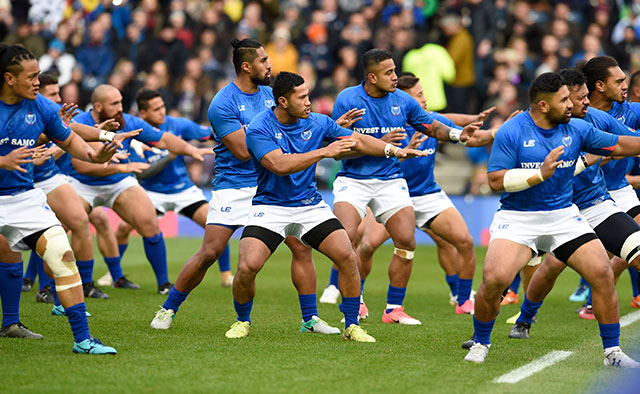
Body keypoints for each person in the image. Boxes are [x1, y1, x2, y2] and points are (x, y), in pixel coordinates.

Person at [151, 39, 354, 334]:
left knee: (301, 247)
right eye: (263, 61)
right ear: (246, 66)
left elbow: (297, 126)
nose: (269, 65)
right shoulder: (223, 103)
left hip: (273, 187)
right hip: (236, 185)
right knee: (210, 252)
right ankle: (169, 307)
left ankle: (309, 318)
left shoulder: (274, 95)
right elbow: (244, 151)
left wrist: (324, 126)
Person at [225, 71, 424, 341]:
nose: (310, 102)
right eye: (303, 97)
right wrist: (324, 151)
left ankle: (352, 325)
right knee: (247, 267)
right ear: (283, 101)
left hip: (310, 207)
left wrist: (393, 150)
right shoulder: (260, 126)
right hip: (270, 207)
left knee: (347, 256)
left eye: (309, 95)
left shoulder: (318, 122)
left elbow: (357, 140)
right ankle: (242, 321)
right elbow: (278, 165)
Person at [464, 72, 640, 368]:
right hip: (518, 218)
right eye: (564, 101)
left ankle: (612, 352)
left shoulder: (578, 128)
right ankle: (481, 341)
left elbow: (620, 145)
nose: (571, 106)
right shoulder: (512, 131)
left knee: (601, 273)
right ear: (543, 105)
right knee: (494, 280)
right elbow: (495, 180)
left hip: (563, 216)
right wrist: (539, 175)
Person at [329, 49, 479, 324]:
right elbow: (339, 152)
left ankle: (393, 309)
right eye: (389, 73)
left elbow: (432, 126)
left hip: (390, 181)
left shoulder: (402, 101)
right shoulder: (348, 99)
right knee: (345, 239)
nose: (395, 77)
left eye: (395, 71)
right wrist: (381, 146)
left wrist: (457, 134)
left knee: (406, 241)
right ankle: (354, 306)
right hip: (355, 179)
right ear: (372, 77)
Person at [0, 44, 119, 353]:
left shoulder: (41, 107)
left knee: (63, 256)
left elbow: (71, 142)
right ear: (9, 79)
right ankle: (11, 323)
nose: (38, 82)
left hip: (24, 197)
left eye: (39, 75)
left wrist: (96, 154)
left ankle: (83, 341)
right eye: (32, 76)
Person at [508, 68, 640, 340]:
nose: (586, 103)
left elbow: (625, 142)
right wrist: (584, 162)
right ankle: (524, 318)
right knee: (550, 270)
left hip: (597, 202)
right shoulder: (533, 128)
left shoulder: (597, 119)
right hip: (561, 210)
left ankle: (611, 346)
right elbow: (534, 174)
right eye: (579, 98)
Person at [68, 84, 213, 294]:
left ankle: (163, 284)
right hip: (83, 184)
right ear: (98, 106)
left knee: (149, 224)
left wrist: (190, 149)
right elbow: (82, 166)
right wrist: (122, 167)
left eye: (120, 102)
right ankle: (80, 284)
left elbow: (163, 139)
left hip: (119, 183)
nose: (120, 108)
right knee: (65, 226)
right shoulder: (80, 123)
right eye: (114, 104)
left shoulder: (128, 121)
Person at [23, 73, 138, 309]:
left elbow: (70, 131)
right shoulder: (20, 109)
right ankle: (35, 289)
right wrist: (50, 140)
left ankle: (75, 286)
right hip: (25, 180)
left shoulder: (45, 108)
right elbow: (58, 140)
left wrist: (106, 136)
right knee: (44, 234)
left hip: (50, 177)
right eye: (52, 93)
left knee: (78, 222)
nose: (58, 97)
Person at [112, 88, 234, 287]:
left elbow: (210, 134)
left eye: (162, 107)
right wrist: (171, 154)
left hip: (183, 190)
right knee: (123, 228)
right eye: (156, 109)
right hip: (152, 193)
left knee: (216, 224)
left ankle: (226, 275)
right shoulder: (134, 133)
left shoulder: (177, 124)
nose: (162, 112)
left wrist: (232, 137)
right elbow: (143, 172)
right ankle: (114, 274)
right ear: (143, 114)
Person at [580, 56, 640, 312]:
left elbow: (621, 144)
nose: (625, 85)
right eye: (619, 81)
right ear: (600, 86)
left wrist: (611, 153)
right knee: (552, 266)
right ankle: (525, 312)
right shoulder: (579, 116)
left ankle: (596, 303)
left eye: (626, 80)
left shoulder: (631, 111)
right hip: (582, 196)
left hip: (618, 189)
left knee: (631, 249)